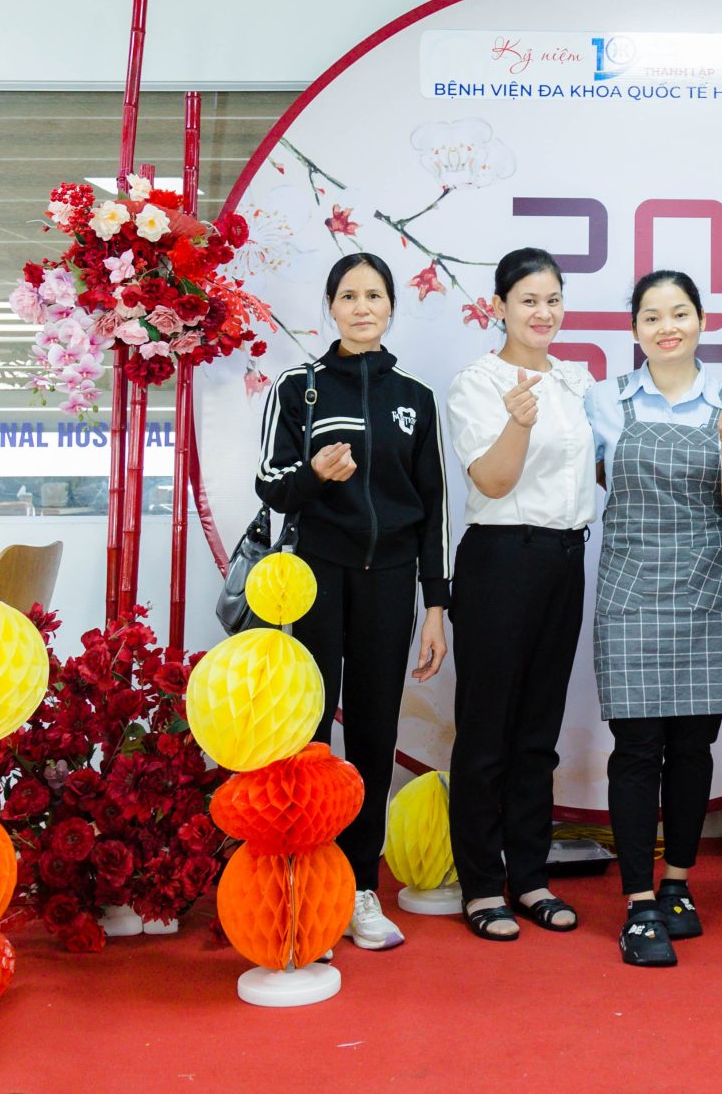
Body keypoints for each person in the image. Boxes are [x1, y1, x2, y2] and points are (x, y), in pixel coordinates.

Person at [255, 252, 450, 952]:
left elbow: (433, 508)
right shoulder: (299, 387)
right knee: (308, 732)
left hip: (390, 579)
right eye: (348, 295)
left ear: (391, 306)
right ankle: (305, 878)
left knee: (372, 734)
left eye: (374, 295)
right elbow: (270, 483)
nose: (362, 307)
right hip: (316, 576)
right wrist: (313, 474)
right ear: (331, 307)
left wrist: (436, 605)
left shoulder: (415, 398)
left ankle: (362, 886)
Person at [585, 270, 722, 967]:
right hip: (629, 591)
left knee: (692, 748)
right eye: (653, 316)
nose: (667, 327)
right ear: (634, 329)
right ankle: (638, 904)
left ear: (701, 321)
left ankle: (679, 885)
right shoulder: (604, 400)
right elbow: (592, 486)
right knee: (635, 750)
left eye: (679, 313)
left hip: (706, 591)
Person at [443, 247, 594, 942]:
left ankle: (530, 875)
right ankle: (481, 884)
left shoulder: (576, 380)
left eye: (553, 299)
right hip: (500, 561)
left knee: (539, 731)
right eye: (529, 299)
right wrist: (519, 422)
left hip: (565, 559)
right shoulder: (476, 383)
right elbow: (494, 482)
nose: (543, 312)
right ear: (499, 306)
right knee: (487, 731)